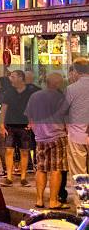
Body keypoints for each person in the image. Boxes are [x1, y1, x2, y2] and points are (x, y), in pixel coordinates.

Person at [25, 72, 69, 209]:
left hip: (40, 137)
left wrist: (36, 130)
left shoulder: (35, 96)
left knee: (41, 169)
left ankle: (39, 200)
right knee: (56, 169)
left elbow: (29, 117)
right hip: (57, 136)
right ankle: (53, 201)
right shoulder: (61, 97)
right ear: (58, 84)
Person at [0, 70, 39, 187]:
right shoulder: (9, 92)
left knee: (25, 152)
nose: (10, 78)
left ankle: (23, 177)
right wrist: (2, 124)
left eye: (13, 76)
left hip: (24, 126)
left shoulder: (30, 92)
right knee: (9, 150)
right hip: (10, 125)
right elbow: (4, 108)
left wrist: (32, 122)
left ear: (20, 78)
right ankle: (9, 177)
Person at [60, 57, 89, 208]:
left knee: (80, 173)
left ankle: (84, 207)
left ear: (76, 72)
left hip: (77, 135)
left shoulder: (71, 89)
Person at [0, 76, 12, 177]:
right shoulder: (12, 95)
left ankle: (6, 169)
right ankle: (13, 168)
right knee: (11, 146)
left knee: (1, 145)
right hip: (11, 121)